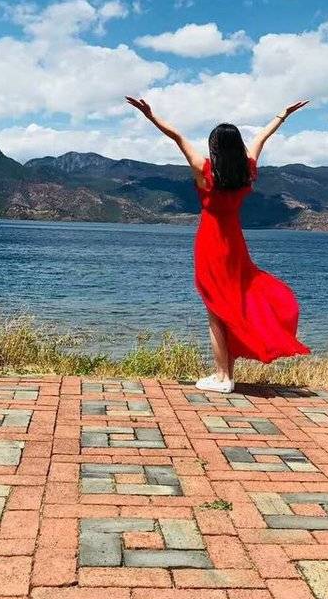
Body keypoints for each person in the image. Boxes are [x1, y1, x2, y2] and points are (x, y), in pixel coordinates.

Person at [125, 96, 311, 393]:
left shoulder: (204, 169)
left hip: (211, 245)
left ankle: (223, 377)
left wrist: (150, 115)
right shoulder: (247, 170)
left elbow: (177, 136)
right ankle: (226, 375)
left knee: (216, 311)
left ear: (214, 147)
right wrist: (283, 114)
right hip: (235, 246)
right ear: (237, 146)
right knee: (230, 306)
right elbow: (262, 137)